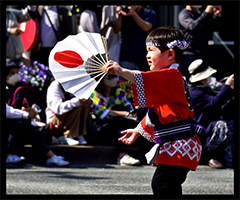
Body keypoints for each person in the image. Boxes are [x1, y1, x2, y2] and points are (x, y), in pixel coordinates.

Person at [105, 26, 202, 196]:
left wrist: (121, 71)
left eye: (151, 50)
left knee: (162, 184)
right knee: (168, 186)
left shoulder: (172, 76)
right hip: (179, 143)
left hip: (180, 143)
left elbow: (143, 78)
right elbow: (155, 114)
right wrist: (137, 130)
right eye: (146, 51)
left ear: (170, 55)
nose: (147, 55)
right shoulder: (168, 80)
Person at [5, 59, 69, 167]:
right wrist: (26, 114)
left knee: (27, 126)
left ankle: (50, 156)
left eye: (16, 72)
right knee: (22, 121)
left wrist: (28, 111)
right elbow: (7, 111)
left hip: (12, 127)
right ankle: (10, 154)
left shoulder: (15, 88)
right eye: (12, 73)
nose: (15, 75)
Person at [188, 59, 234, 168]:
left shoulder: (205, 89)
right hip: (201, 133)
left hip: (208, 129)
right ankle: (209, 156)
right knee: (223, 126)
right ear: (203, 79)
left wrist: (226, 87)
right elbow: (215, 102)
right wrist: (227, 86)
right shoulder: (194, 93)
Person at [90, 74, 140, 166]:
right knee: (119, 124)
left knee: (122, 124)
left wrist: (118, 113)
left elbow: (132, 112)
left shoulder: (120, 93)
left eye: (114, 76)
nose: (113, 79)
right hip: (101, 129)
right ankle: (122, 155)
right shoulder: (95, 94)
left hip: (120, 126)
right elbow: (102, 113)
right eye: (109, 77)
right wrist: (123, 113)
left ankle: (124, 155)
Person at [178, 5, 222, 80]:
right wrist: (206, 12)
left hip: (202, 54)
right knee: (189, 80)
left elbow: (212, 27)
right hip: (189, 54)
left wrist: (216, 15)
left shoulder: (198, 14)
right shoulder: (184, 14)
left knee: (203, 80)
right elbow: (193, 26)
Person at [46, 80, 91, 145]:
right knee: (78, 106)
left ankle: (79, 134)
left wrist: (87, 102)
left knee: (84, 105)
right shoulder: (55, 86)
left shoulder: (75, 84)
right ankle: (67, 135)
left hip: (70, 119)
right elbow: (57, 109)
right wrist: (76, 102)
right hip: (56, 122)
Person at [114, 5, 156, 71]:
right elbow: (116, 30)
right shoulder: (124, 13)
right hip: (127, 55)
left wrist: (134, 14)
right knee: (125, 80)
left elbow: (146, 27)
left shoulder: (149, 13)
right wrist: (119, 16)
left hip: (143, 56)